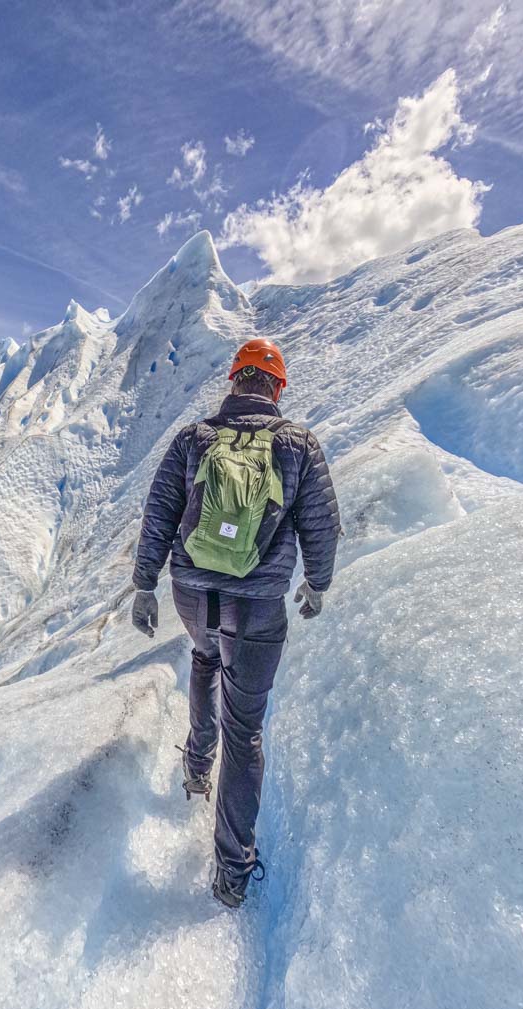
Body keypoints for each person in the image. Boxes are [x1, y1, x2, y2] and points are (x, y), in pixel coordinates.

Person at [131, 338, 340, 909]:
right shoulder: (298, 445)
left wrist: (145, 584)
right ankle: (231, 873)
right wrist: (316, 584)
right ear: (276, 386)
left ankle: (197, 770)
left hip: (193, 594)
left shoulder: (194, 439)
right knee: (244, 730)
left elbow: (160, 513)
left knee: (202, 659)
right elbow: (321, 525)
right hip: (257, 607)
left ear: (233, 381)